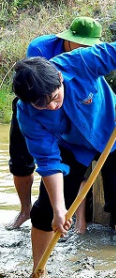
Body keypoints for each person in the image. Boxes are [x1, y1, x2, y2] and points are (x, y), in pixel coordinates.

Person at [12, 35, 116, 278]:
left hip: (114, 133)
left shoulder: (79, 62)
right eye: (41, 104)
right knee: (46, 210)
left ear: (60, 78)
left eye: (54, 97)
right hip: (71, 146)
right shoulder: (27, 113)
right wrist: (60, 208)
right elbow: (49, 161)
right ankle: (39, 272)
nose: (51, 106)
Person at [5, 17, 100, 232]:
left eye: (89, 46)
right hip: (33, 108)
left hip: (68, 109)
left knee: (69, 160)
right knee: (21, 162)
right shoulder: (40, 47)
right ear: (69, 38)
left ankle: (67, 215)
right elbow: (36, 87)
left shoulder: (88, 58)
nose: (85, 49)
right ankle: (25, 209)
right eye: (82, 44)